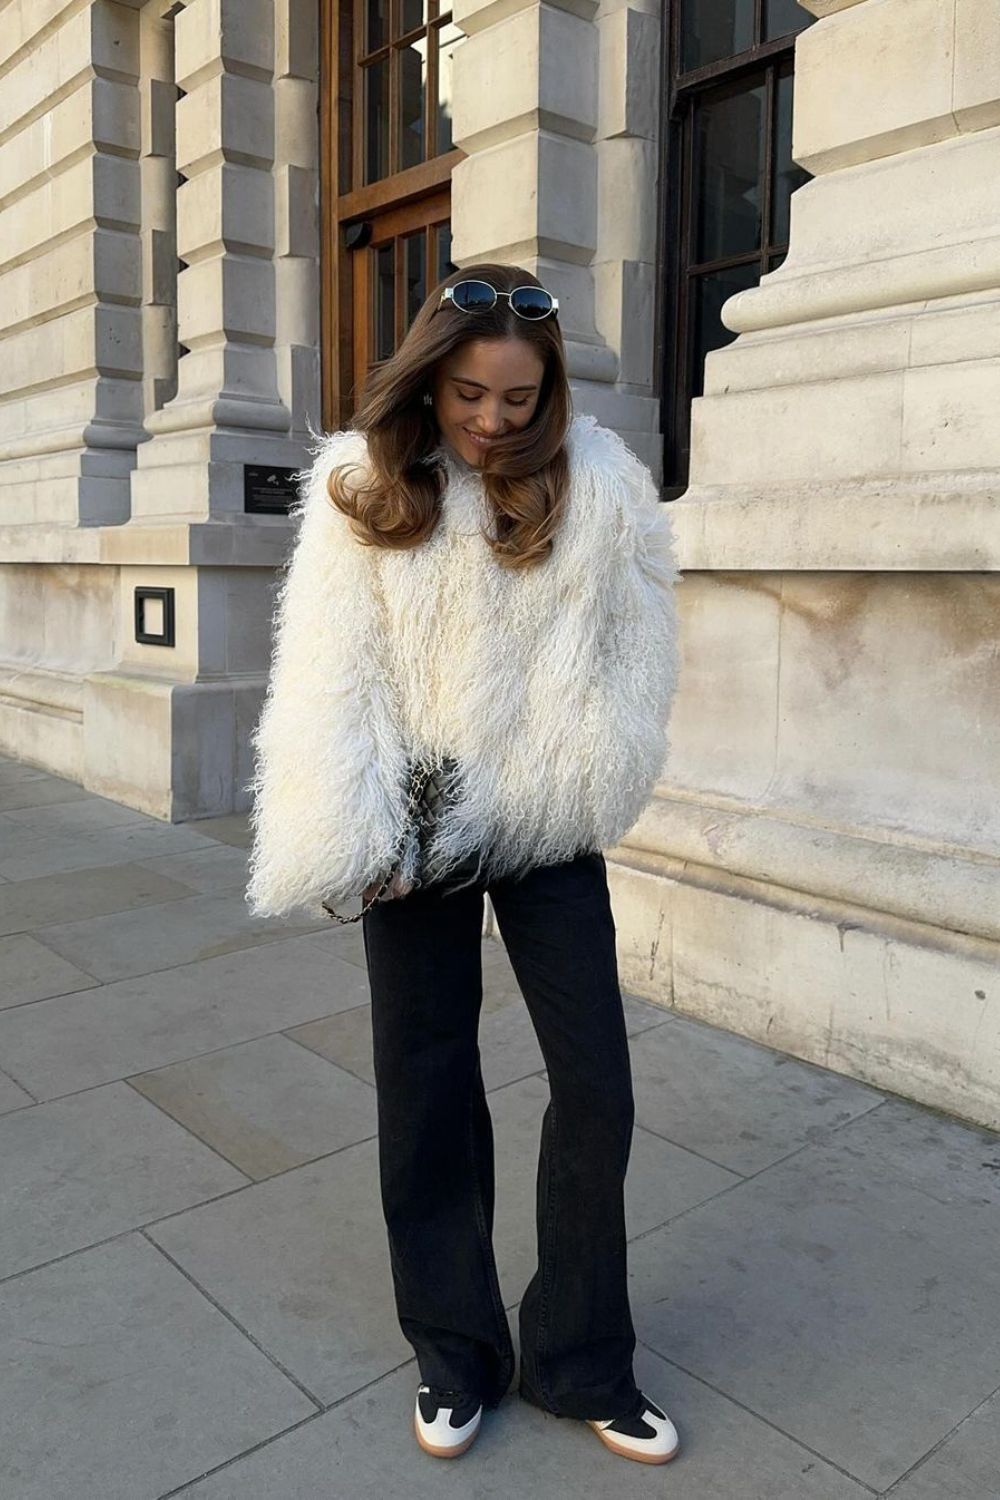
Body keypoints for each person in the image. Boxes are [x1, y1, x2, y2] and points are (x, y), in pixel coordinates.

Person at [245, 263, 683, 1465]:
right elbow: (333, 676)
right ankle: (454, 1351)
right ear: (429, 378)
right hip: (416, 830)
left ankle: (583, 1358)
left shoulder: (599, 485)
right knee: (426, 1088)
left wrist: (589, 776)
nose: (492, 421)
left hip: (547, 822)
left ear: (550, 394)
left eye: (519, 398)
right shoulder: (364, 486)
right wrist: (357, 824)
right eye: (470, 395)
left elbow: (636, 649)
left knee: (596, 1086)